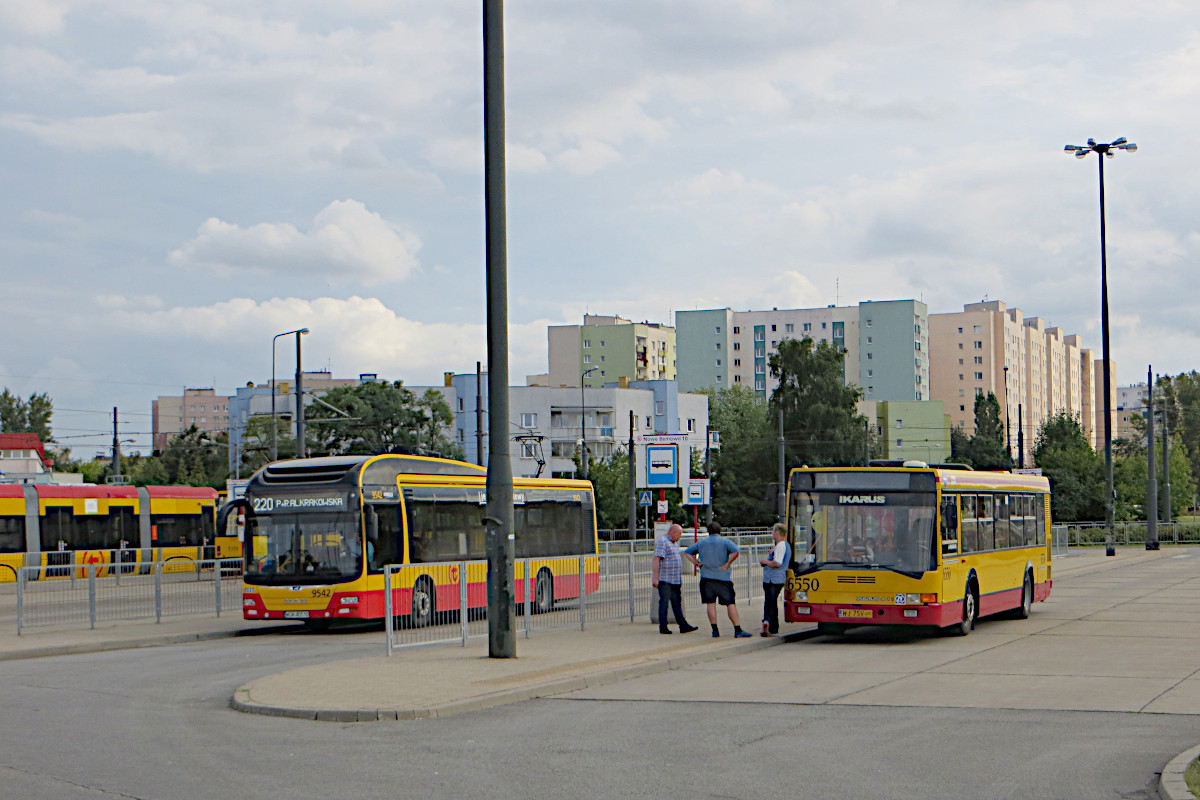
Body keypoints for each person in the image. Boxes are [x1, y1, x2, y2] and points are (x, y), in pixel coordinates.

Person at [684, 522, 752, 638]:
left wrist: (697, 563)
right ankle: (737, 629)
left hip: (706, 578)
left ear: (708, 531)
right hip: (723, 578)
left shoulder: (702, 543)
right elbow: (736, 551)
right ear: (720, 530)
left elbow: (687, 552)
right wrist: (727, 563)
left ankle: (715, 630)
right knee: (730, 603)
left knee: (710, 604)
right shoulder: (726, 542)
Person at [652, 523, 698, 634]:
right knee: (664, 602)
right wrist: (655, 577)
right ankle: (663, 627)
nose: (680, 536)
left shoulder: (674, 543)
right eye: (680, 533)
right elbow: (656, 559)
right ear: (673, 532)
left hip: (675, 579)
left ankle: (683, 625)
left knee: (677, 602)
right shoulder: (663, 542)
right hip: (666, 579)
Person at [759, 522, 792, 637]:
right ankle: (767, 622)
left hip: (774, 579)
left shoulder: (781, 546)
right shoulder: (783, 545)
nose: (772, 534)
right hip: (775, 578)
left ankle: (772, 627)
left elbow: (777, 563)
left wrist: (766, 562)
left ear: (777, 532)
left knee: (771, 603)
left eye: (773, 531)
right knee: (769, 602)